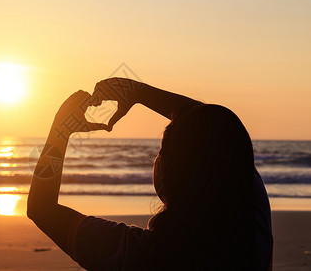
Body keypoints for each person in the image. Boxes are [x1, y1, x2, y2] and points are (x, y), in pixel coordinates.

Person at [27, 78, 273, 270]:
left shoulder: (142, 255)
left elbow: (41, 208)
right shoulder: (253, 225)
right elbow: (223, 138)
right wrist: (138, 92)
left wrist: (61, 130)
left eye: (161, 151)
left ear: (165, 175)